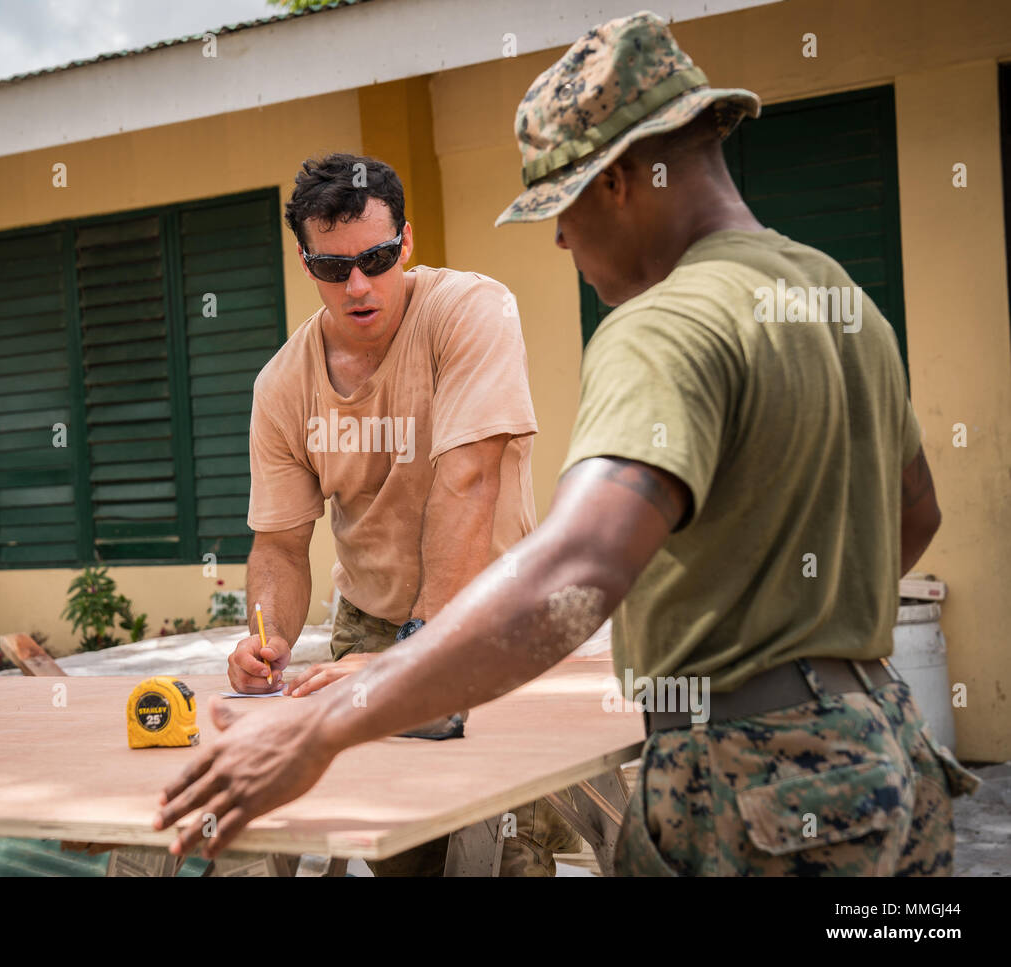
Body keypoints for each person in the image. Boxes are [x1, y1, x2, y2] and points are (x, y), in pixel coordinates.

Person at [158, 12, 980, 875]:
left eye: (562, 204)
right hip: (886, 754)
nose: (559, 238)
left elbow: (573, 573)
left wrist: (329, 722)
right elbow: (911, 516)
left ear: (622, 180)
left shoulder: (659, 328)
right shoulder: (828, 290)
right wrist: (791, 627)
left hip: (756, 790)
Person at [227, 152, 583, 875]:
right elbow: (281, 544)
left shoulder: (471, 310)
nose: (358, 284)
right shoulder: (283, 385)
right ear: (307, 265)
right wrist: (265, 637)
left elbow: (470, 476)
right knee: (399, 847)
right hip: (370, 621)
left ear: (408, 243)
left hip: (495, 617)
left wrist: (415, 658)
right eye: (334, 268)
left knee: (506, 849)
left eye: (378, 258)